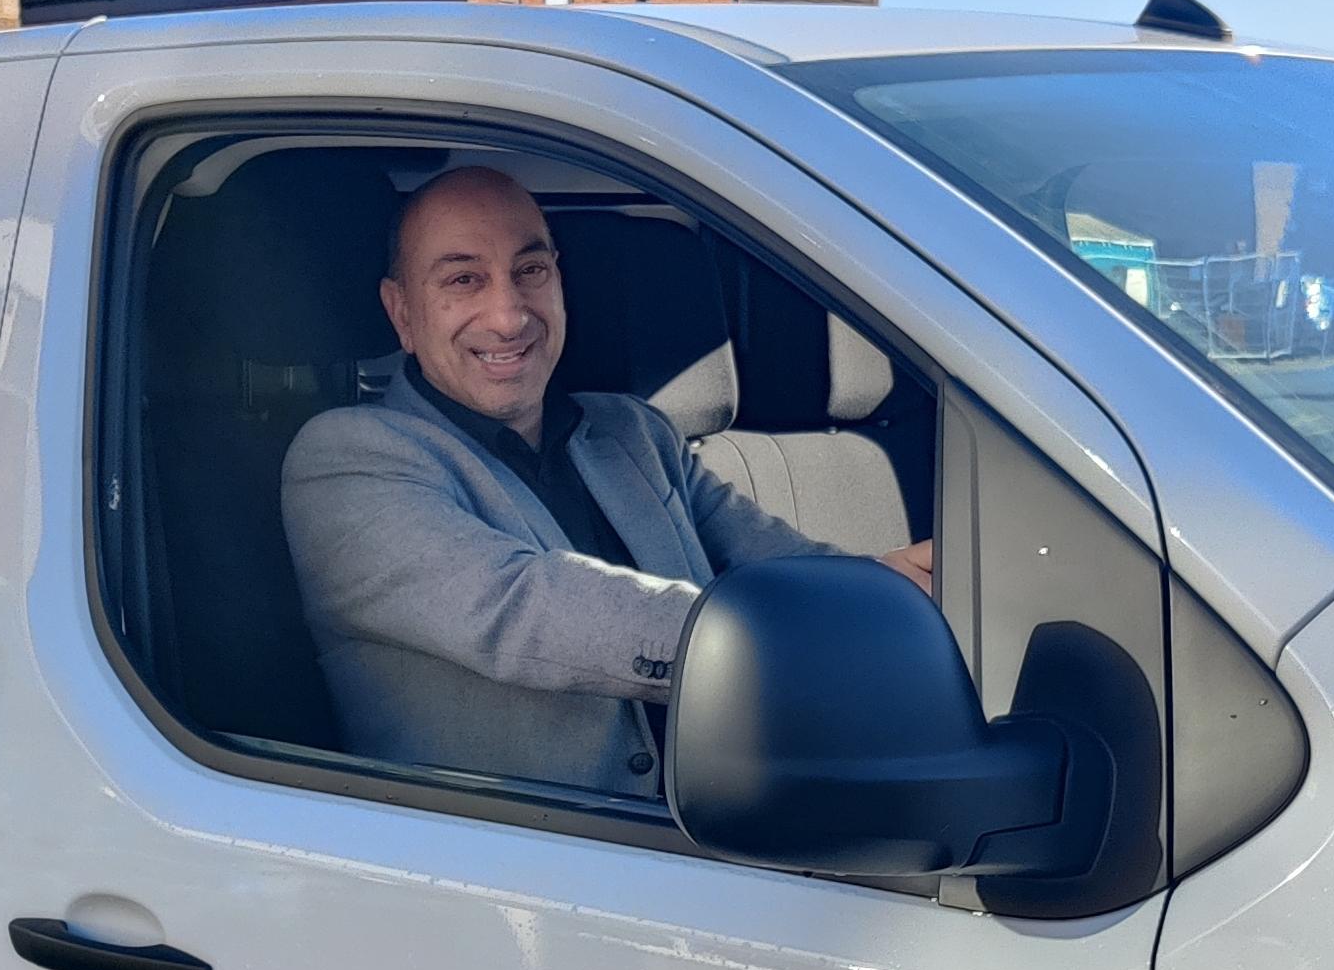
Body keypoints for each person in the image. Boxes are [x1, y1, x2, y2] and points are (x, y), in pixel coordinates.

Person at [281, 165, 934, 796]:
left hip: (741, 816)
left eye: (530, 270)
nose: (508, 315)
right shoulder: (346, 459)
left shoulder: (631, 430)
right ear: (401, 312)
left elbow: (772, 557)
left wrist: (893, 588)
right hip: (528, 871)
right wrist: (802, 639)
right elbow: (527, 607)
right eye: (463, 279)